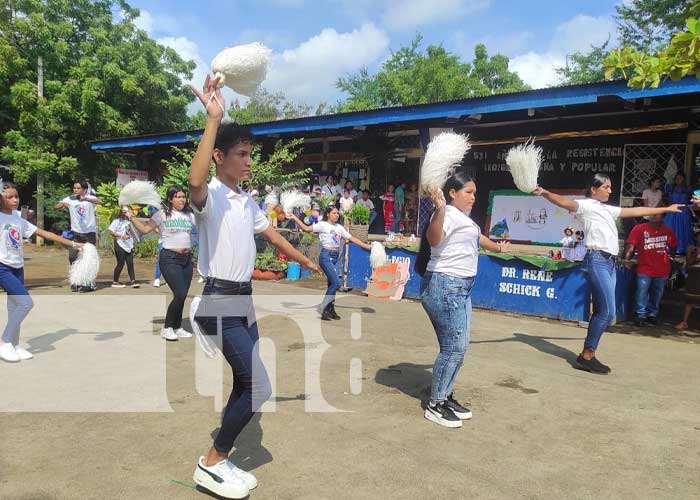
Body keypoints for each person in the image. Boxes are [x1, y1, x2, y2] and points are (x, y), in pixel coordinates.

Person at [188, 74, 319, 499]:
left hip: (243, 301)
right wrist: (212, 120)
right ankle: (211, 462)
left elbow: (273, 236)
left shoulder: (246, 201)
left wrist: (305, 260)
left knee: (248, 385)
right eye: (241, 154)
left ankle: (219, 459)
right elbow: (194, 181)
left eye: (250, 155)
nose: (248, 161)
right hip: (218, 300)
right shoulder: (209, 197)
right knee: (259, 385)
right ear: (221, 156)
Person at [533, 174, 682, 374]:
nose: (610, 190)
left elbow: (636, 210)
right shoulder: (586, 205)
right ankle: (586, 356)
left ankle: (588, 353)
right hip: (597, 260)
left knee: (606, 313)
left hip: (610, 263)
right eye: (606, 187)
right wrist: (544, 193)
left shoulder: (607, 209)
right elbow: (563, 202)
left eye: (610, 187)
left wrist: (665, 208)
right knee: (606, 313)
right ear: (594, 189)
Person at [418, 173, 509, 428]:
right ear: (452, 193)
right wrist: (439, 209)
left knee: (461, 346)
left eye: (474, 193)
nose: (473, 197)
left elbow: (478, 238)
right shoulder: (444, 213)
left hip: (462, 288)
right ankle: (435, 405)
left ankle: (445, 396)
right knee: (453, 348)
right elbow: (434, 239)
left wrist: (498, 248)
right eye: (468, 192)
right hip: (445, 285)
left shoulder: (463, 219)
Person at [0, 182, 82, 362]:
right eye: (9, 197)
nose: (15, 200)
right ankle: (4, 341)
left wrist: (74, 244)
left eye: (16, 196)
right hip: (2, 267)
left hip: (17, 266)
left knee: (14, 306)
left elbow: (43, 233)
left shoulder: (17, 218)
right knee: (25, 303)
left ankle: (14, 344)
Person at [129, 186, 196, 341]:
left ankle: (177, 327)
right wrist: (132, 217)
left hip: (186, 260)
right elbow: (145, 229)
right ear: (170, 199)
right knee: (179, 293)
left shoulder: (189, 215)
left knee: (182, 295)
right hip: (169, 258)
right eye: (178, 197)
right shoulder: (162, 215)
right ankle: (167, 328)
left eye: (183, 197)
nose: (182, 199)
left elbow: (205, 223)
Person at [289, 206, 371, 320]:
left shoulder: (339, 227)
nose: (336, 215)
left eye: (337, 213)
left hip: (335, 256)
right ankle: (324, 307)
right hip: (326, 256)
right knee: (337, 284)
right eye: (334, 213)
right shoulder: (322, 225)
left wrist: (367, 246)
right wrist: (295, 218)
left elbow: (352, 238)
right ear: (328, 214)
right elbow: (306, 228)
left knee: (332, 284)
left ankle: (330, 310)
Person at [624, 212, 677, 326]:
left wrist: (671, 257)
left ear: (662, 218)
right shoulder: (639, 228)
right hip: (644, 268)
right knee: (641, 292)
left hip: (662, 269)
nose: (654, 216)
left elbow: (673, 245)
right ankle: (640, 315)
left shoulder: (667, 231)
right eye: (652, 214)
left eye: (657, 215)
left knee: (657, 293)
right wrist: (627, 259)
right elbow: (631, 245)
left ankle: (652, 314)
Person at [54, 179, 102, 291]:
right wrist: (62, 204)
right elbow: (56, 206)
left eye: (78, 188)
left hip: (89, 233)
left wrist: (86, 198)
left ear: (84, 189)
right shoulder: (70, 199)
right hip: (76, 233)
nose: (75, 190)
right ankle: (76, 280)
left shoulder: (90, 199)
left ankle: (88, 283)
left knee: (88, 258)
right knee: (72, 257)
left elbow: (100, 202)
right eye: (74, 188)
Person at [108, 206, 138, 288]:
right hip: (119, 244)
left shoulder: (131, 221)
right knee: (120, 263)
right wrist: (121, 236)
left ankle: (133, 281)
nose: (127, 213)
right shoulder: (117, 221)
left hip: (129, 244)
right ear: (121, 212)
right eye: (125, 212)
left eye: (128, 211)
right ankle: (115, 281)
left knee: (130, 263)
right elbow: (111, 231)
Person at [675, 235, 700, 331]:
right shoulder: (691, 248)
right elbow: (688, 263)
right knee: (689, 300)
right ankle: (684, 322)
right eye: (698, 236)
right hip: (693, 277)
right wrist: (696, 256)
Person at [663, 173, 693, 253]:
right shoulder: (671, 188)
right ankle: (670, 247)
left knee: (684, 229)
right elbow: (665, 199)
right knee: (670, 228)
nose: (678, 179)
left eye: (680, 178)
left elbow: (691, 200)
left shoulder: (687, 189)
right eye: (676, 178)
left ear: (683, 179)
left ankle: (682, 248)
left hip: (683, 212)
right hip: (672, 210)